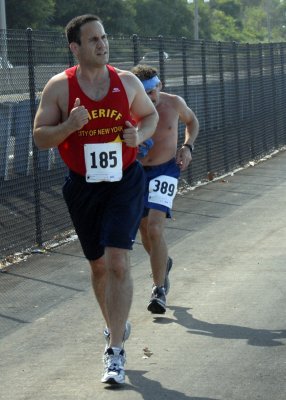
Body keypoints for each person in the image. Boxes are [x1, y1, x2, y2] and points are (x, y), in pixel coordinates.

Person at [33, 15, 158, 385]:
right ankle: (115, 327)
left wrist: (139, 134)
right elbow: (40, 137)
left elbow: (149, 116)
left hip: (124, 181)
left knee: (118, 261)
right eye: (93, 40)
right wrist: (69, 126)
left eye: (104, 37)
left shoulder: (127, 81)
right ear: (75, 47)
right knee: (99, 267)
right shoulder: (59, 88)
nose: (102, 44)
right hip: (83, 185)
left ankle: (115, 351)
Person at [131, 64, 199, 315]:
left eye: (154, 90)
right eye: (145, 93)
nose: (152, 97)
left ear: (160, 85)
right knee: (145, 232)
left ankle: (158, 289)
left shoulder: (174, 103)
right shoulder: (128, 107)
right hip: (136, 173)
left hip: (165, 171)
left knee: (155, 227)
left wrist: (187, 147)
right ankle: (163, 263)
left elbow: (192, 122)